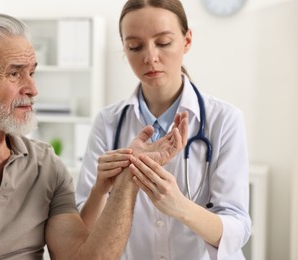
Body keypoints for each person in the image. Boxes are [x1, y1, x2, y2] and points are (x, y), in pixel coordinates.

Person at [0, 12, 189, 259]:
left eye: (32, 73)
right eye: (15, 74)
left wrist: (130, 177)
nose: (32, 89)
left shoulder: (46, 163)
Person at [75, 0, 252, 259]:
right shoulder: (108, 122)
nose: (150, 57)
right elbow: (85, 231)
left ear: (187, 41)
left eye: (163, 42)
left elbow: (238, 229)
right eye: (134, 46)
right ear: (124, 47)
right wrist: (101, 190)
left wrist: (179, 206)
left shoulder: (224, 119)